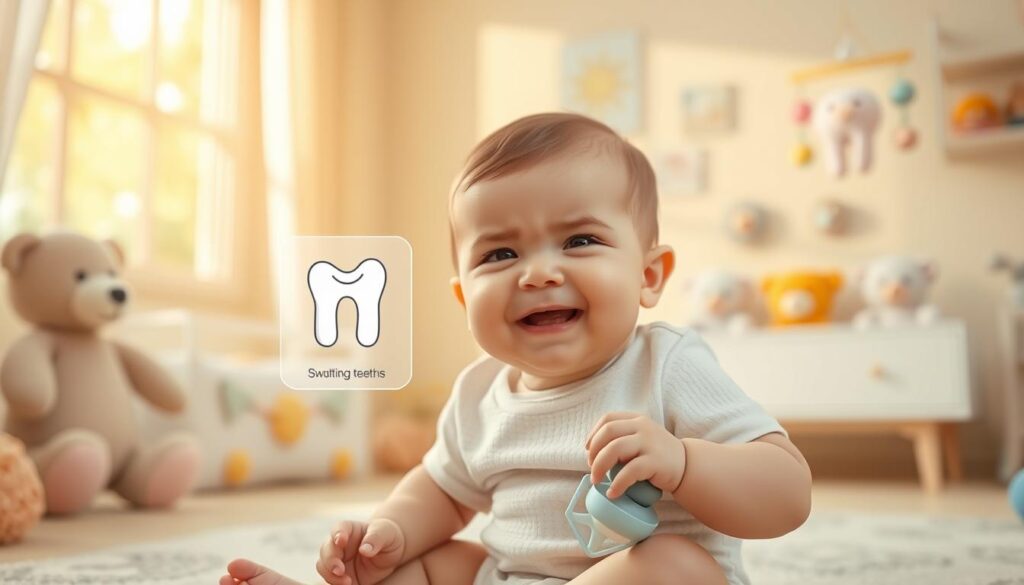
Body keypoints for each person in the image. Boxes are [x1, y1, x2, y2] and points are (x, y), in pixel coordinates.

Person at [220, 112, 812, 585]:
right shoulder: (480, 392)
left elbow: (788, 493)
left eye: (580, 240)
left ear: (649, 276)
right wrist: (389, 533)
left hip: (648, 577)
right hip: (509, 576)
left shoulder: (668, 365)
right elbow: (443, 491)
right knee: (423, 563)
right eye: (499, 255)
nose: (536, 274)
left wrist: (685, 463)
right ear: (463, 295)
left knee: (672, 566)